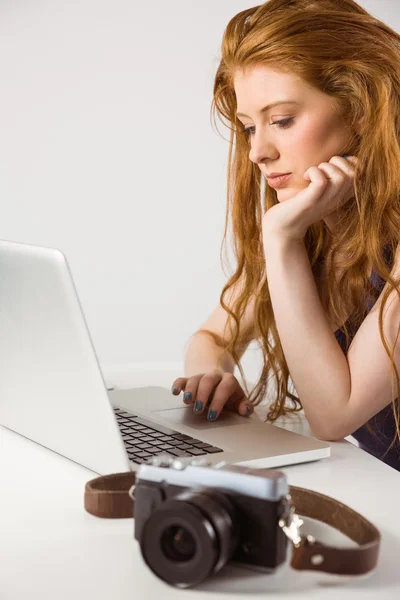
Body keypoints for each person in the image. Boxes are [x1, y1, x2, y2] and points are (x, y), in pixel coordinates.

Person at [171, 0, 400, 471]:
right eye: (249, 127)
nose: (257, 151)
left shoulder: (292, 232)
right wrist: (210, 374)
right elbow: (213, 335)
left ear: (360, 108)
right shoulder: (312, 230)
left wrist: (280, 240)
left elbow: (334, 416)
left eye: (282, 121)